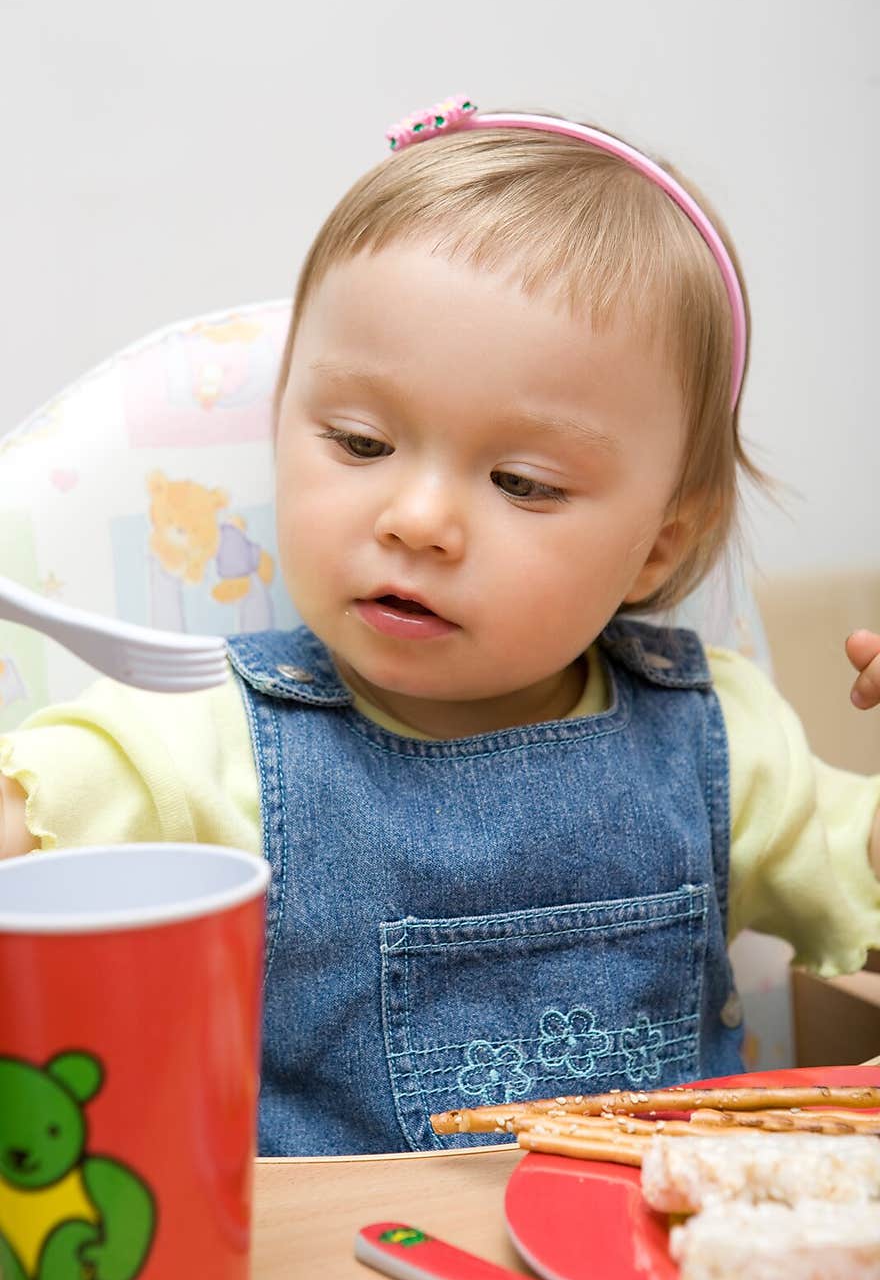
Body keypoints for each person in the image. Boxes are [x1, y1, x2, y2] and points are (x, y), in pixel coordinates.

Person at [1, 97, 879, 1156]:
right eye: (361, 443)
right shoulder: (198, 738)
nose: (416, 520)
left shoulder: (723, 738)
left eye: (521, 480)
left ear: (656, 546)